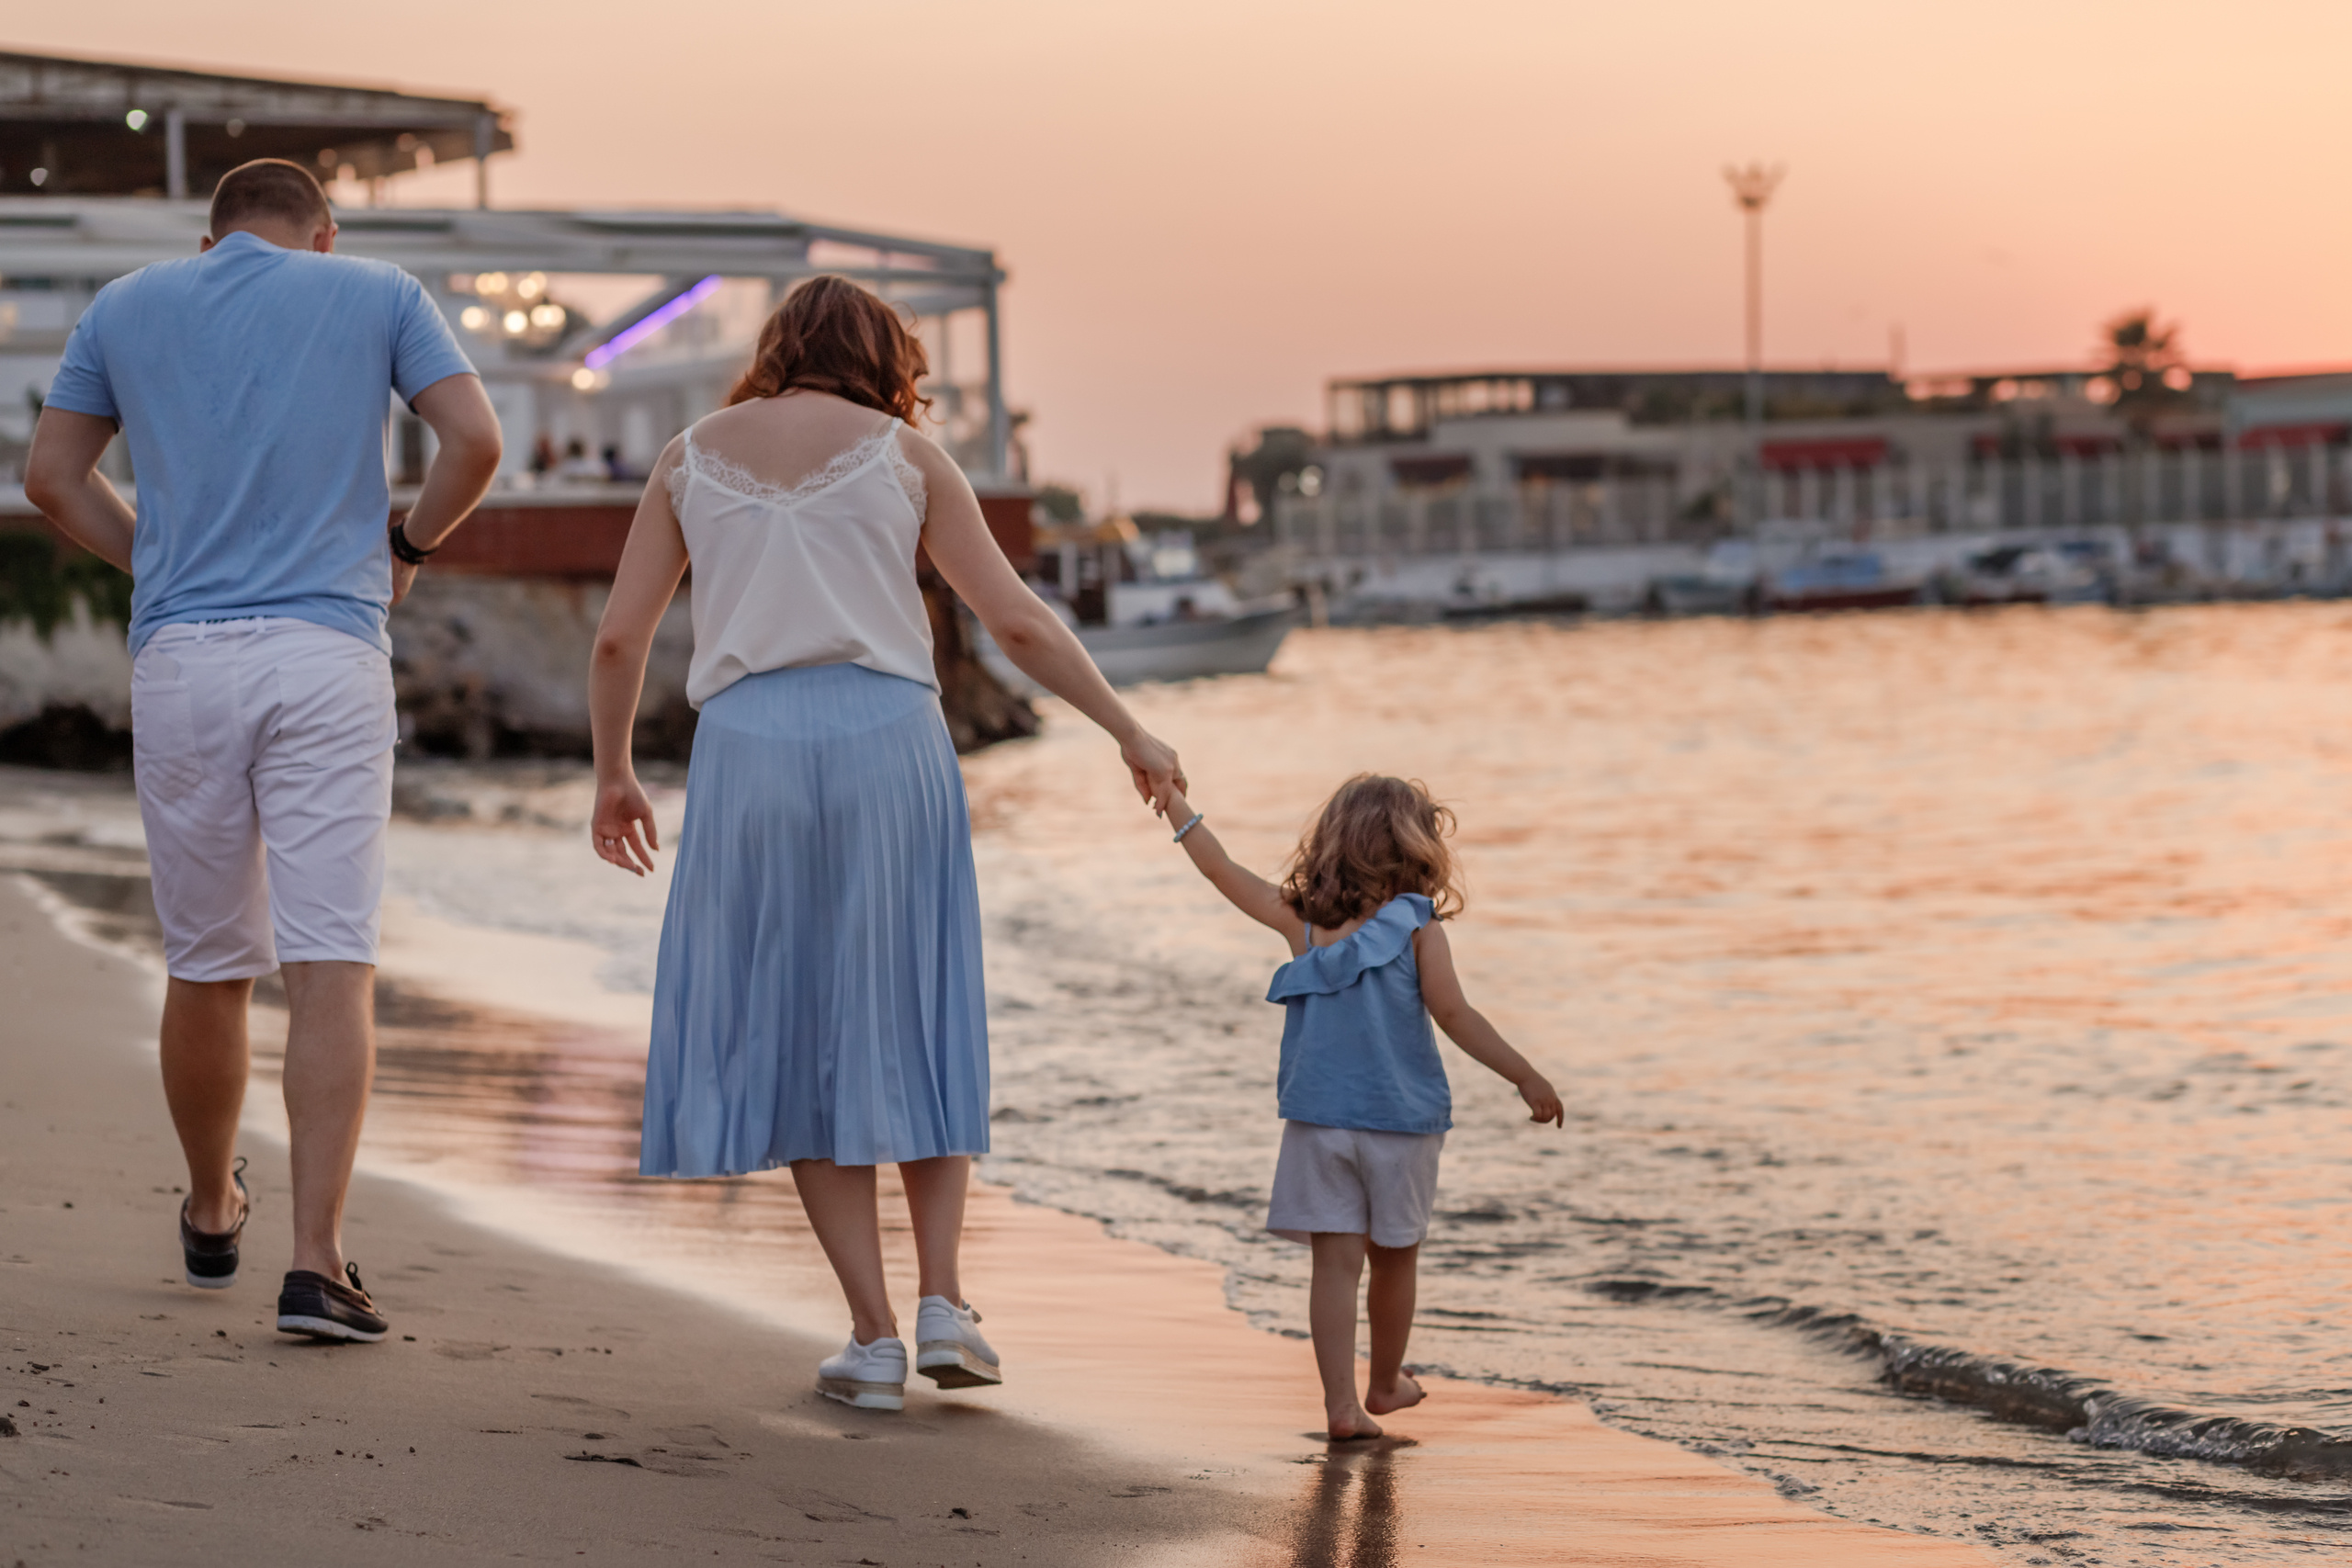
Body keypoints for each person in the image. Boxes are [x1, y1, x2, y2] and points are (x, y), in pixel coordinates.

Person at [586, 275, 1182, 1413]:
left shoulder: (685, 457)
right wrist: (1128, 729)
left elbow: (621, 640)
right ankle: (945, 1302)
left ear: (775, 348)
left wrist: (615, 773)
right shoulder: (905, 457)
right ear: (883, 356)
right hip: (886, 741)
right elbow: (1013, 620)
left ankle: (869, 1340)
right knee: (915, 1006)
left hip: (749, 750)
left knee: (800, 1027)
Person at [23, 158, 503, 1345]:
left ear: (209, 240)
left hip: (183, 661)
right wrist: (410, 539)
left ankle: (207, 1202)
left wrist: (160, 565)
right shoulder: (379, 291)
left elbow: (49, 479)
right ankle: (317, 1262)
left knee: (207, 957)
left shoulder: (127, 305)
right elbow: (475, 444)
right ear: (322, 235)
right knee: (331, 957)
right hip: (324, 650)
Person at [1154, 773, 1563, 1440]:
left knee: (1335, 1267)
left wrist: (1172, 801)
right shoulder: (1418, 928)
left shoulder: (1305, 922)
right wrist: (1524, 1075)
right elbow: (1455, 1013)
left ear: (1334, 841)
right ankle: (1385, 1381)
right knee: (1396, 1257)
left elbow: (1219, 869)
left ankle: (1341, 1406)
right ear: (1416, 846)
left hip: (1319, 1123)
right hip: (1401, 1126)